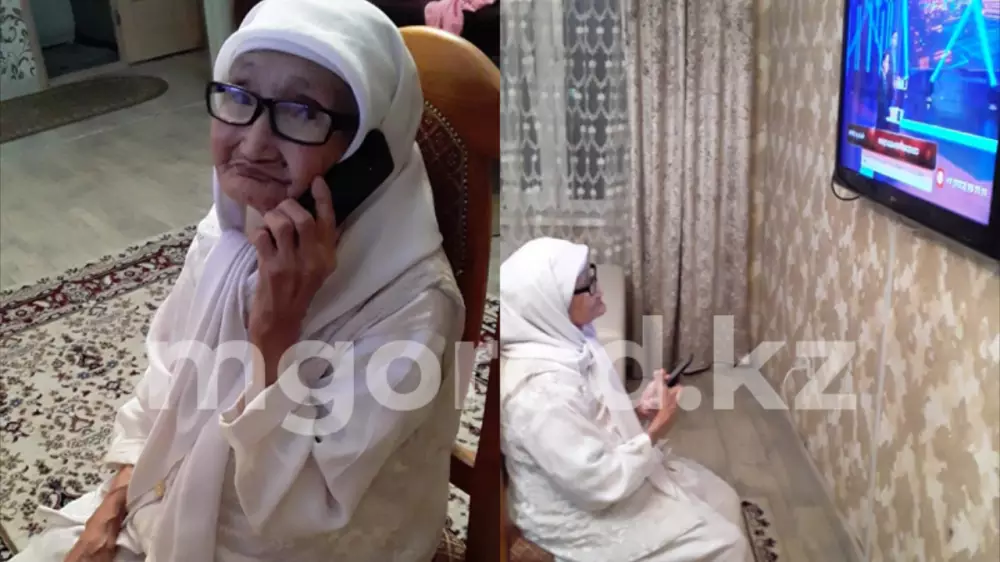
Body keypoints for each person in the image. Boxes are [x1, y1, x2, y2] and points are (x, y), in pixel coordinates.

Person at [12, 0, 467, 560]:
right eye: (240, 96)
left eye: (301, 111)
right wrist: (111, 509)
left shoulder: (414, 307)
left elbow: (304, 513)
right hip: (177, 497)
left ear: (366, 154)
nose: (251, 145)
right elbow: (168, 378)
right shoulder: (231, 232)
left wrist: (276, 334)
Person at [499, 237, 750, 562]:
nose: (598, 290)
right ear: (550, 303)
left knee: (725, 500)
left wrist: (638, 409)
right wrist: (656, 429)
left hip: (603, 471)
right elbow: (595, 482)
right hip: (576, 509)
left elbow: (588, 415)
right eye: (586, 285)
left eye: (591, 275)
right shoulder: (539, 392)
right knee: (729, 545)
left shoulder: (569, 342)